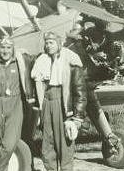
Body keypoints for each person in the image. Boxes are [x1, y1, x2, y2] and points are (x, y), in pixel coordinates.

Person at [31, 32, 87, 171]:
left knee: (65, 143)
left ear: (59, 43)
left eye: (52, 42)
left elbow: (80, 90)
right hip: (46, 102)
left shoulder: (71, 60)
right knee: (47, 144)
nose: (48, 45)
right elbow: (37, 87)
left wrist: (77, 117)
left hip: (62, 103)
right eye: (47, 42)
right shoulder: (41, 61)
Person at [0, 36, 35, 171]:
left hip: (16, 103)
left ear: (13, 49)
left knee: (10, 142)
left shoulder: (22, 61)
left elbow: (42, 60)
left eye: (8, 48)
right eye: (2, 48)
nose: (5, 51)